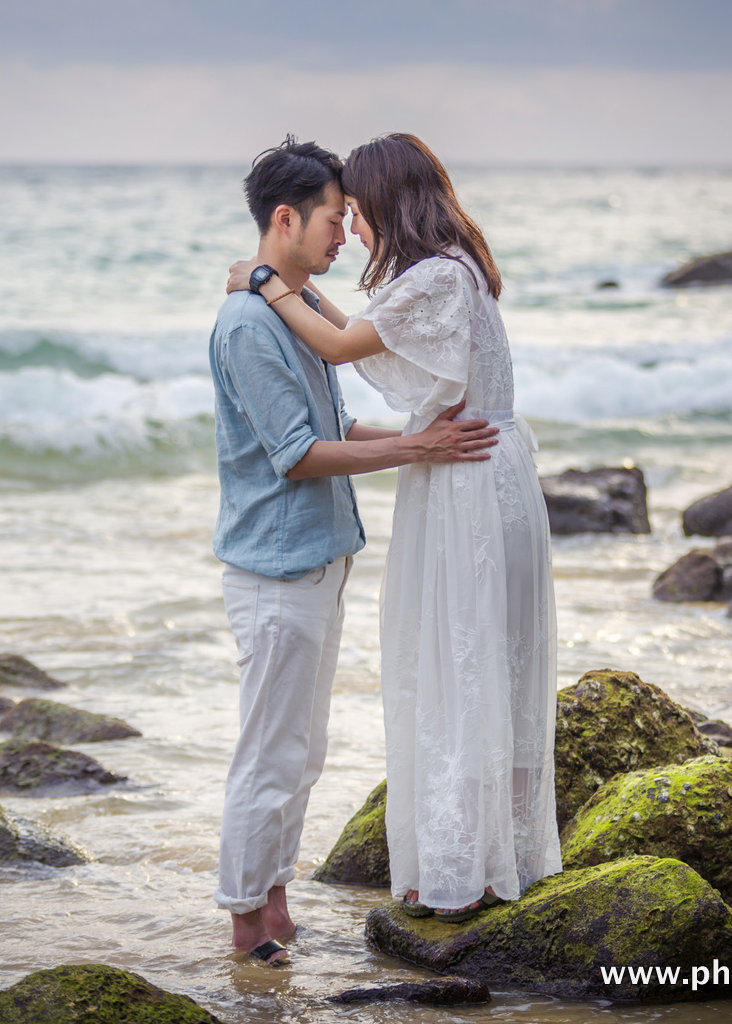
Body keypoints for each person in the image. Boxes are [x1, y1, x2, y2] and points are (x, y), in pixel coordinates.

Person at [228, 132, 562, 925]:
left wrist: (271, 281)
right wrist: (289, 291)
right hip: (482, 470)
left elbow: (343, 346)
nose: (353, 232)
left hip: (466, 483)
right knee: (477, 662)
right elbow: (364, 338)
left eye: (358, 214)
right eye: (339, 217)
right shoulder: (452, 270)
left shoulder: (437, 276)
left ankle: (460, 868)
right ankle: (483, 857)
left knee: (458, 663)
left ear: (388, 203)